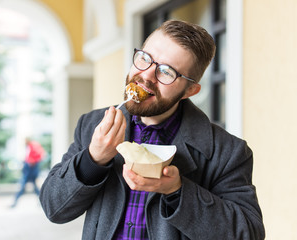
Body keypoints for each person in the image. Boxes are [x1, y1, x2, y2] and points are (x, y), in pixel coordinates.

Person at [39, 20, 265, 239]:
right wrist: (93, 159)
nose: (146, 75)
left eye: (166, 72)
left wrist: (177, 191)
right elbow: (54, 209)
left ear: (190, 91)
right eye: (144, 58)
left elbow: (248, 233)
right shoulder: (92, 125)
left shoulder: (228, 152)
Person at [11, 137, 45, 208]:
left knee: (23, 186)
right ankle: (43, 202)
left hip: (31, 169)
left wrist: (31, 161)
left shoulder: (33, 146)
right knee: (33, 187)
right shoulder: (30, 146)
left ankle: (15, 202)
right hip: (29, 168)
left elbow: (39, 155)